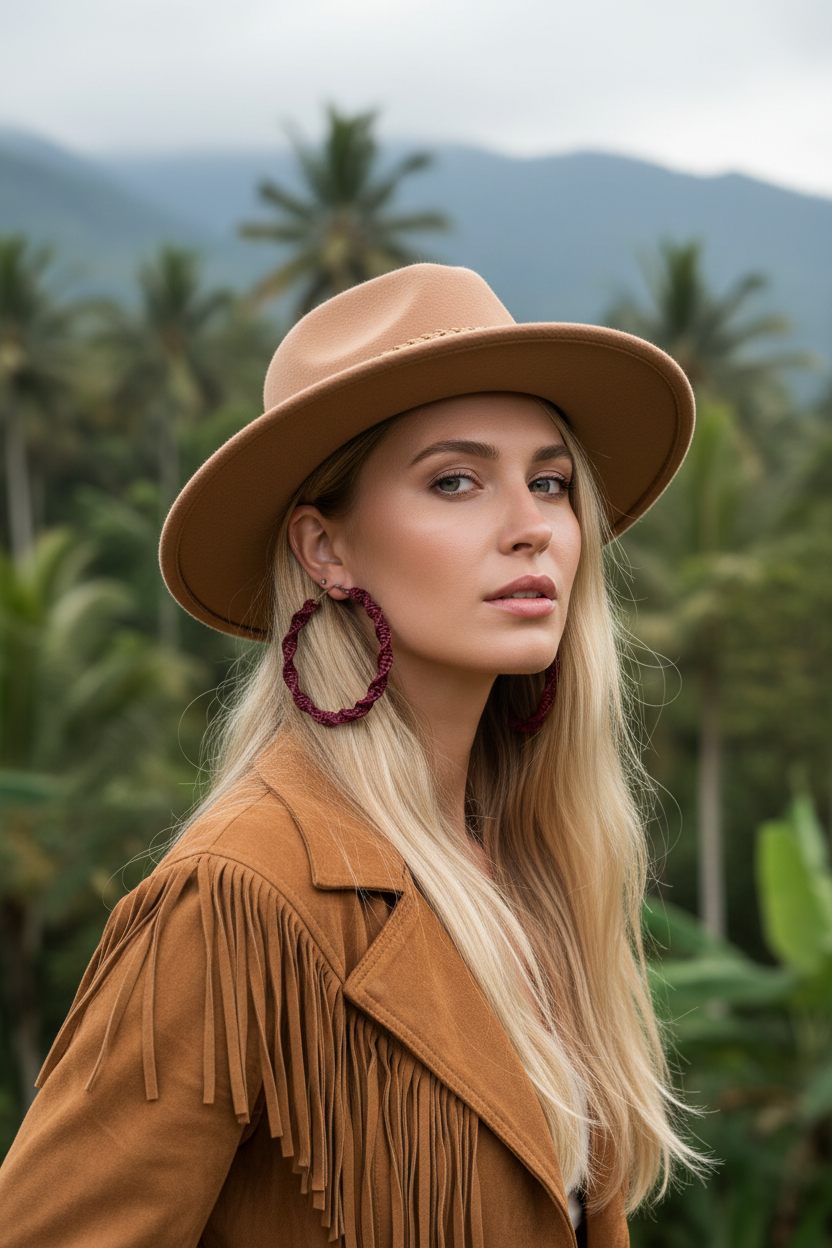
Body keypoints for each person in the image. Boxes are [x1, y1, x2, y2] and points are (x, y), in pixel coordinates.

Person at [0, 263, 702, 1247]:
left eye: (549, 481)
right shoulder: (240, 897)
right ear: (326, 551)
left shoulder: (535, 870)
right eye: (455, 481)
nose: (531, 528)